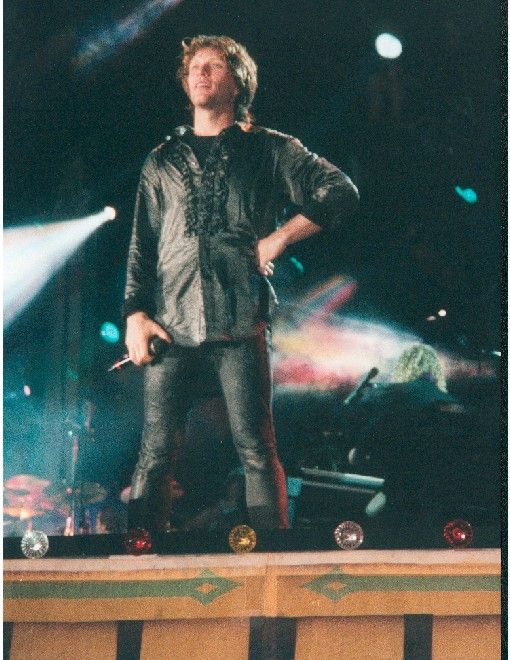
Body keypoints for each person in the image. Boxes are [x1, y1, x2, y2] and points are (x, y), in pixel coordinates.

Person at [123, 35, 359, 532]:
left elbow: (339, 191)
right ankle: (139, 559)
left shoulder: (269, 149)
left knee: (255, 448)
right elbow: (142, 245)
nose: (200, 73)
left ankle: (271, 561)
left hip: (240, 316)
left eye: (213, 65)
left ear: (238, 82)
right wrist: (134, 316)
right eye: (194, 66)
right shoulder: (160, 161)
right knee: (155, 452)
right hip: (170, 322)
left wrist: (279, 238)